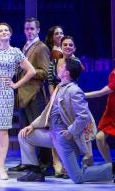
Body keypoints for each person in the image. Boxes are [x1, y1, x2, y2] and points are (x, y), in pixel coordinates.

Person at [17, 59, 113, 184]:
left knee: (77, 177)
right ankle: (35, 171)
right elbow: (47, 112)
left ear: (66, 73)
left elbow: (83, 117)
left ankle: (112, 169)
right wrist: (32, 126)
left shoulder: (74, 91)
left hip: (64, 139)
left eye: (61, 68)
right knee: (24, 135)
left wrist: (70, 131)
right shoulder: (59, 87)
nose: (59, 69)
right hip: (52, 135)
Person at [0, 23, 36, 180]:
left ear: (10, 34)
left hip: (5, 91)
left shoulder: (16, 52)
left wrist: (15, 85)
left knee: (3, 130)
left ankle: (1, 167)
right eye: (0, 31)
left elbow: (31, 71)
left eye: (6, 30)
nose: (3, 32)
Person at [48, 36, 96, 177]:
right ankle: (62, 166)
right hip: (58, 98)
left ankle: (83, 166)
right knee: (57, 134)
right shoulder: (55, 61)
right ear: (61, 46)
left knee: (81, 134)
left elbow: (77, 80)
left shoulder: (76, 62)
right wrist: (53, 99)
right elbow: (51, 81)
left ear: (74, 48)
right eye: (65, 44)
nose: (68, 46)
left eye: (71, 45)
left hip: (72, 101)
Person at [9, 17, 51, 173]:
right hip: (23, 94)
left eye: (32, 29)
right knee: (24, 130)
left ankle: (45, 163)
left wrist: (28, 71)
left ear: (38, 30)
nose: (29, 31)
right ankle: (28, 162)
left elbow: (45, 72)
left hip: (35, 94)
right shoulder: (26, 46)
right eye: (27, 29)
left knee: (38, 129)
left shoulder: (41, 48)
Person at [85, 69, 115, 163]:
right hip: (110, 113)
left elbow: (101, 93)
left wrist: (82, 95)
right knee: (99, 137)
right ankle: (110, 165)